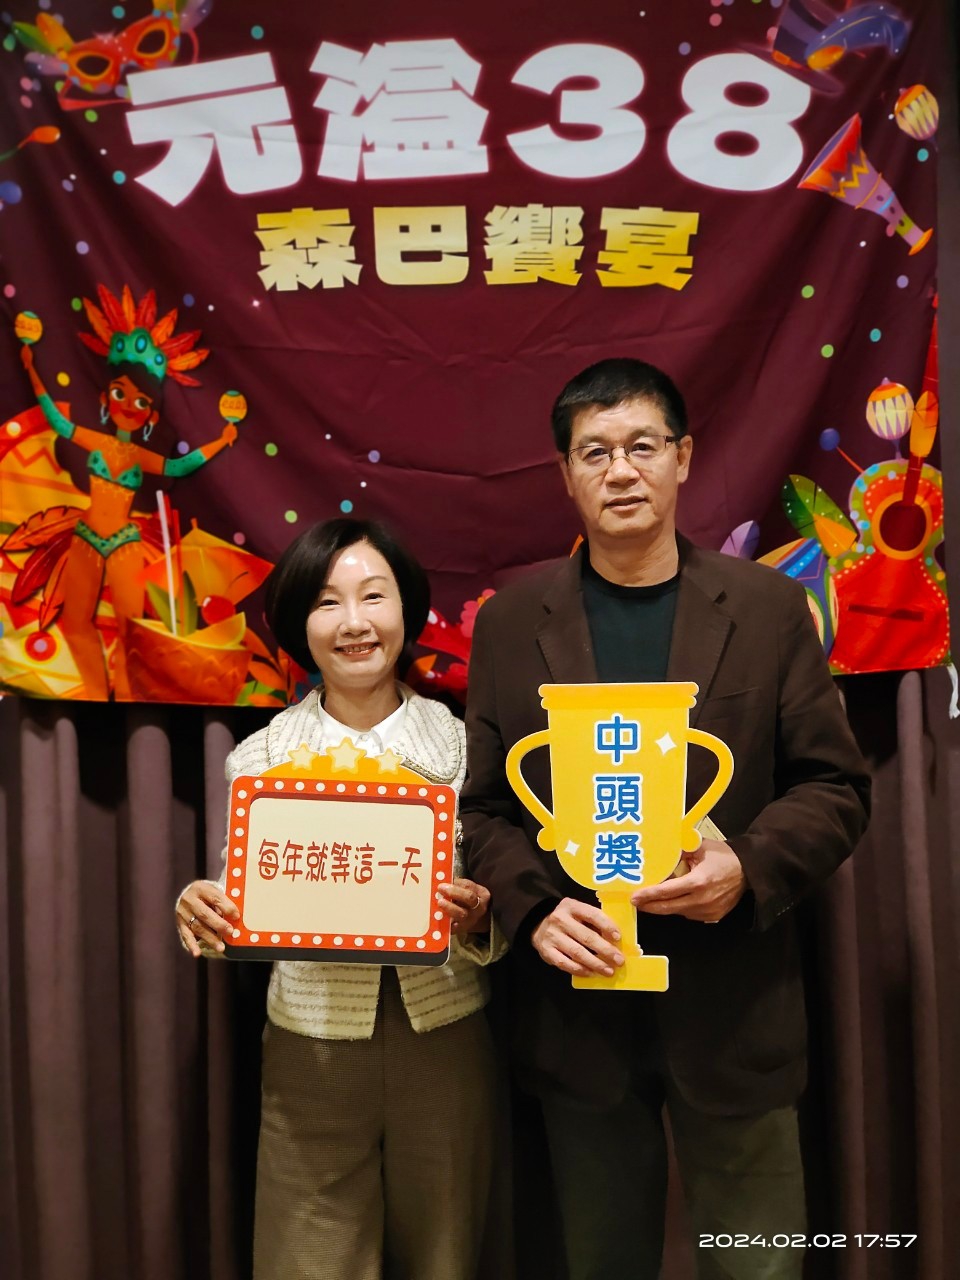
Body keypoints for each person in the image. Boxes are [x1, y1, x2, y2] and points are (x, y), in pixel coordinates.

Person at [460, 359, 871, 1280]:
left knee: (759, 1263)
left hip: (735, 1008)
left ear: (683, 458)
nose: (621, 471)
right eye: (594, 452)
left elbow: (836, 787)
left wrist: (748, 868)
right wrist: (534, 910)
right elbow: (481, 808)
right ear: (565, 473)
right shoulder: (512, 622)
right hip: (578, 1017)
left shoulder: (768, 609)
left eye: (642, 446)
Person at [176, 517, 503, 1280]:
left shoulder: (462, 747)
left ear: (406, 611)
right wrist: (206, 908)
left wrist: (482, 919)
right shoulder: (261, 759)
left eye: (374, 597)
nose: (354, 622)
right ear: (300, 624)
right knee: (307, 1256)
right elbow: (244, 895)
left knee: (447, 1253)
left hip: (445, 1033)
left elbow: (503, 894)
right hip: (310, 1045)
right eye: (328, 603)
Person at [18, 284, 237, 699]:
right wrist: (30, 368)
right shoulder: (98, 442)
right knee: (75, 622)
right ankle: (96, 697)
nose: (127, 406)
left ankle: (126, 700)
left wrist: (223, 440)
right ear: (106, 397)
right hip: (85, 538)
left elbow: (179, 467)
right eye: (120, 394)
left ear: (150, 415)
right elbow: (57, 422)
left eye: (140, 402)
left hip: (124, 544)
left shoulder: (140, 456)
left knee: (129, 629)